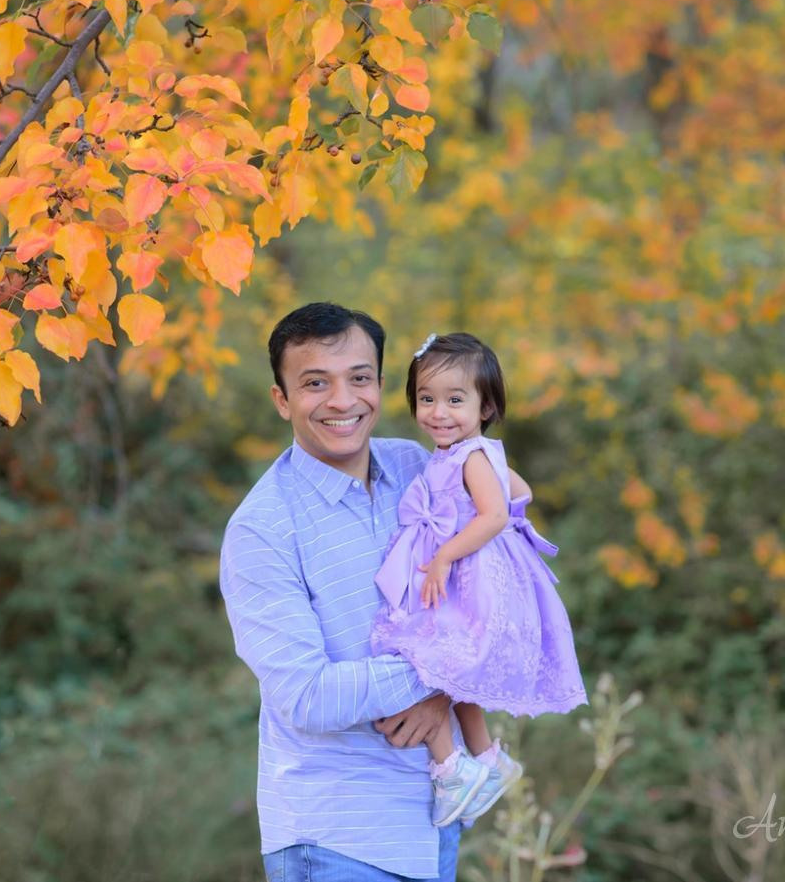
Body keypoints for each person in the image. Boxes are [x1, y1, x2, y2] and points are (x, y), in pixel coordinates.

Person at [220, 303, 462, 881]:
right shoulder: (263, 528)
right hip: (334, 843)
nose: (342, 400)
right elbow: (305, 694)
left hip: (433, 826)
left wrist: (443, 693)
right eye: (314, 384)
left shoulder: (418, 469)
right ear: (282, 399)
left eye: (358, 378)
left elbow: (498, 594)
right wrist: (441, 670)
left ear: (380, 384)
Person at [370, 332, 588, 828]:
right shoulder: (470, 453)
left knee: (425, 653)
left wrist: (447, 553)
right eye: (426, 399)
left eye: (454, 400)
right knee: (454, 672)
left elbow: (492, 515)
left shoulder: (469, 456)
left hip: (466, 574)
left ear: (485, 406)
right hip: (467, 568)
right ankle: (487, 758)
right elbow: (522, 491)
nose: (438, 412)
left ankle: (450, 766)